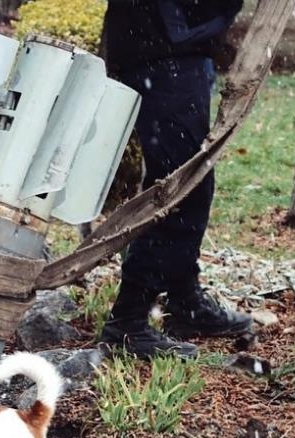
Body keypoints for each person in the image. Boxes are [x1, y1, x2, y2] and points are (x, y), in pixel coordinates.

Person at [98, 0, 251, 359]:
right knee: (178, 187)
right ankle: (129, 320)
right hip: (164, 46)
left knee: (189, 181)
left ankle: (184, 301)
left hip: (177, 45)